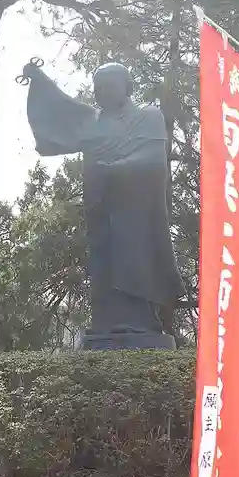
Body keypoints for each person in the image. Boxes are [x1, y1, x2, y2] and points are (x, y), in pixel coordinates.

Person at [22, 60, 185, 342]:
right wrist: (39, 81)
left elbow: (154, 160)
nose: (101, 92)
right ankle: (105, 321)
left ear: (128, 88)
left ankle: (139, 321)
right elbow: (62, 111)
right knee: (103, 265)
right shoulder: (92, 121)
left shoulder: (148, 116)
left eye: (109, 86)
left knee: (134, 260)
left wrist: (116, 168)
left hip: (136, 210)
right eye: (97, 87)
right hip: (100, 205)